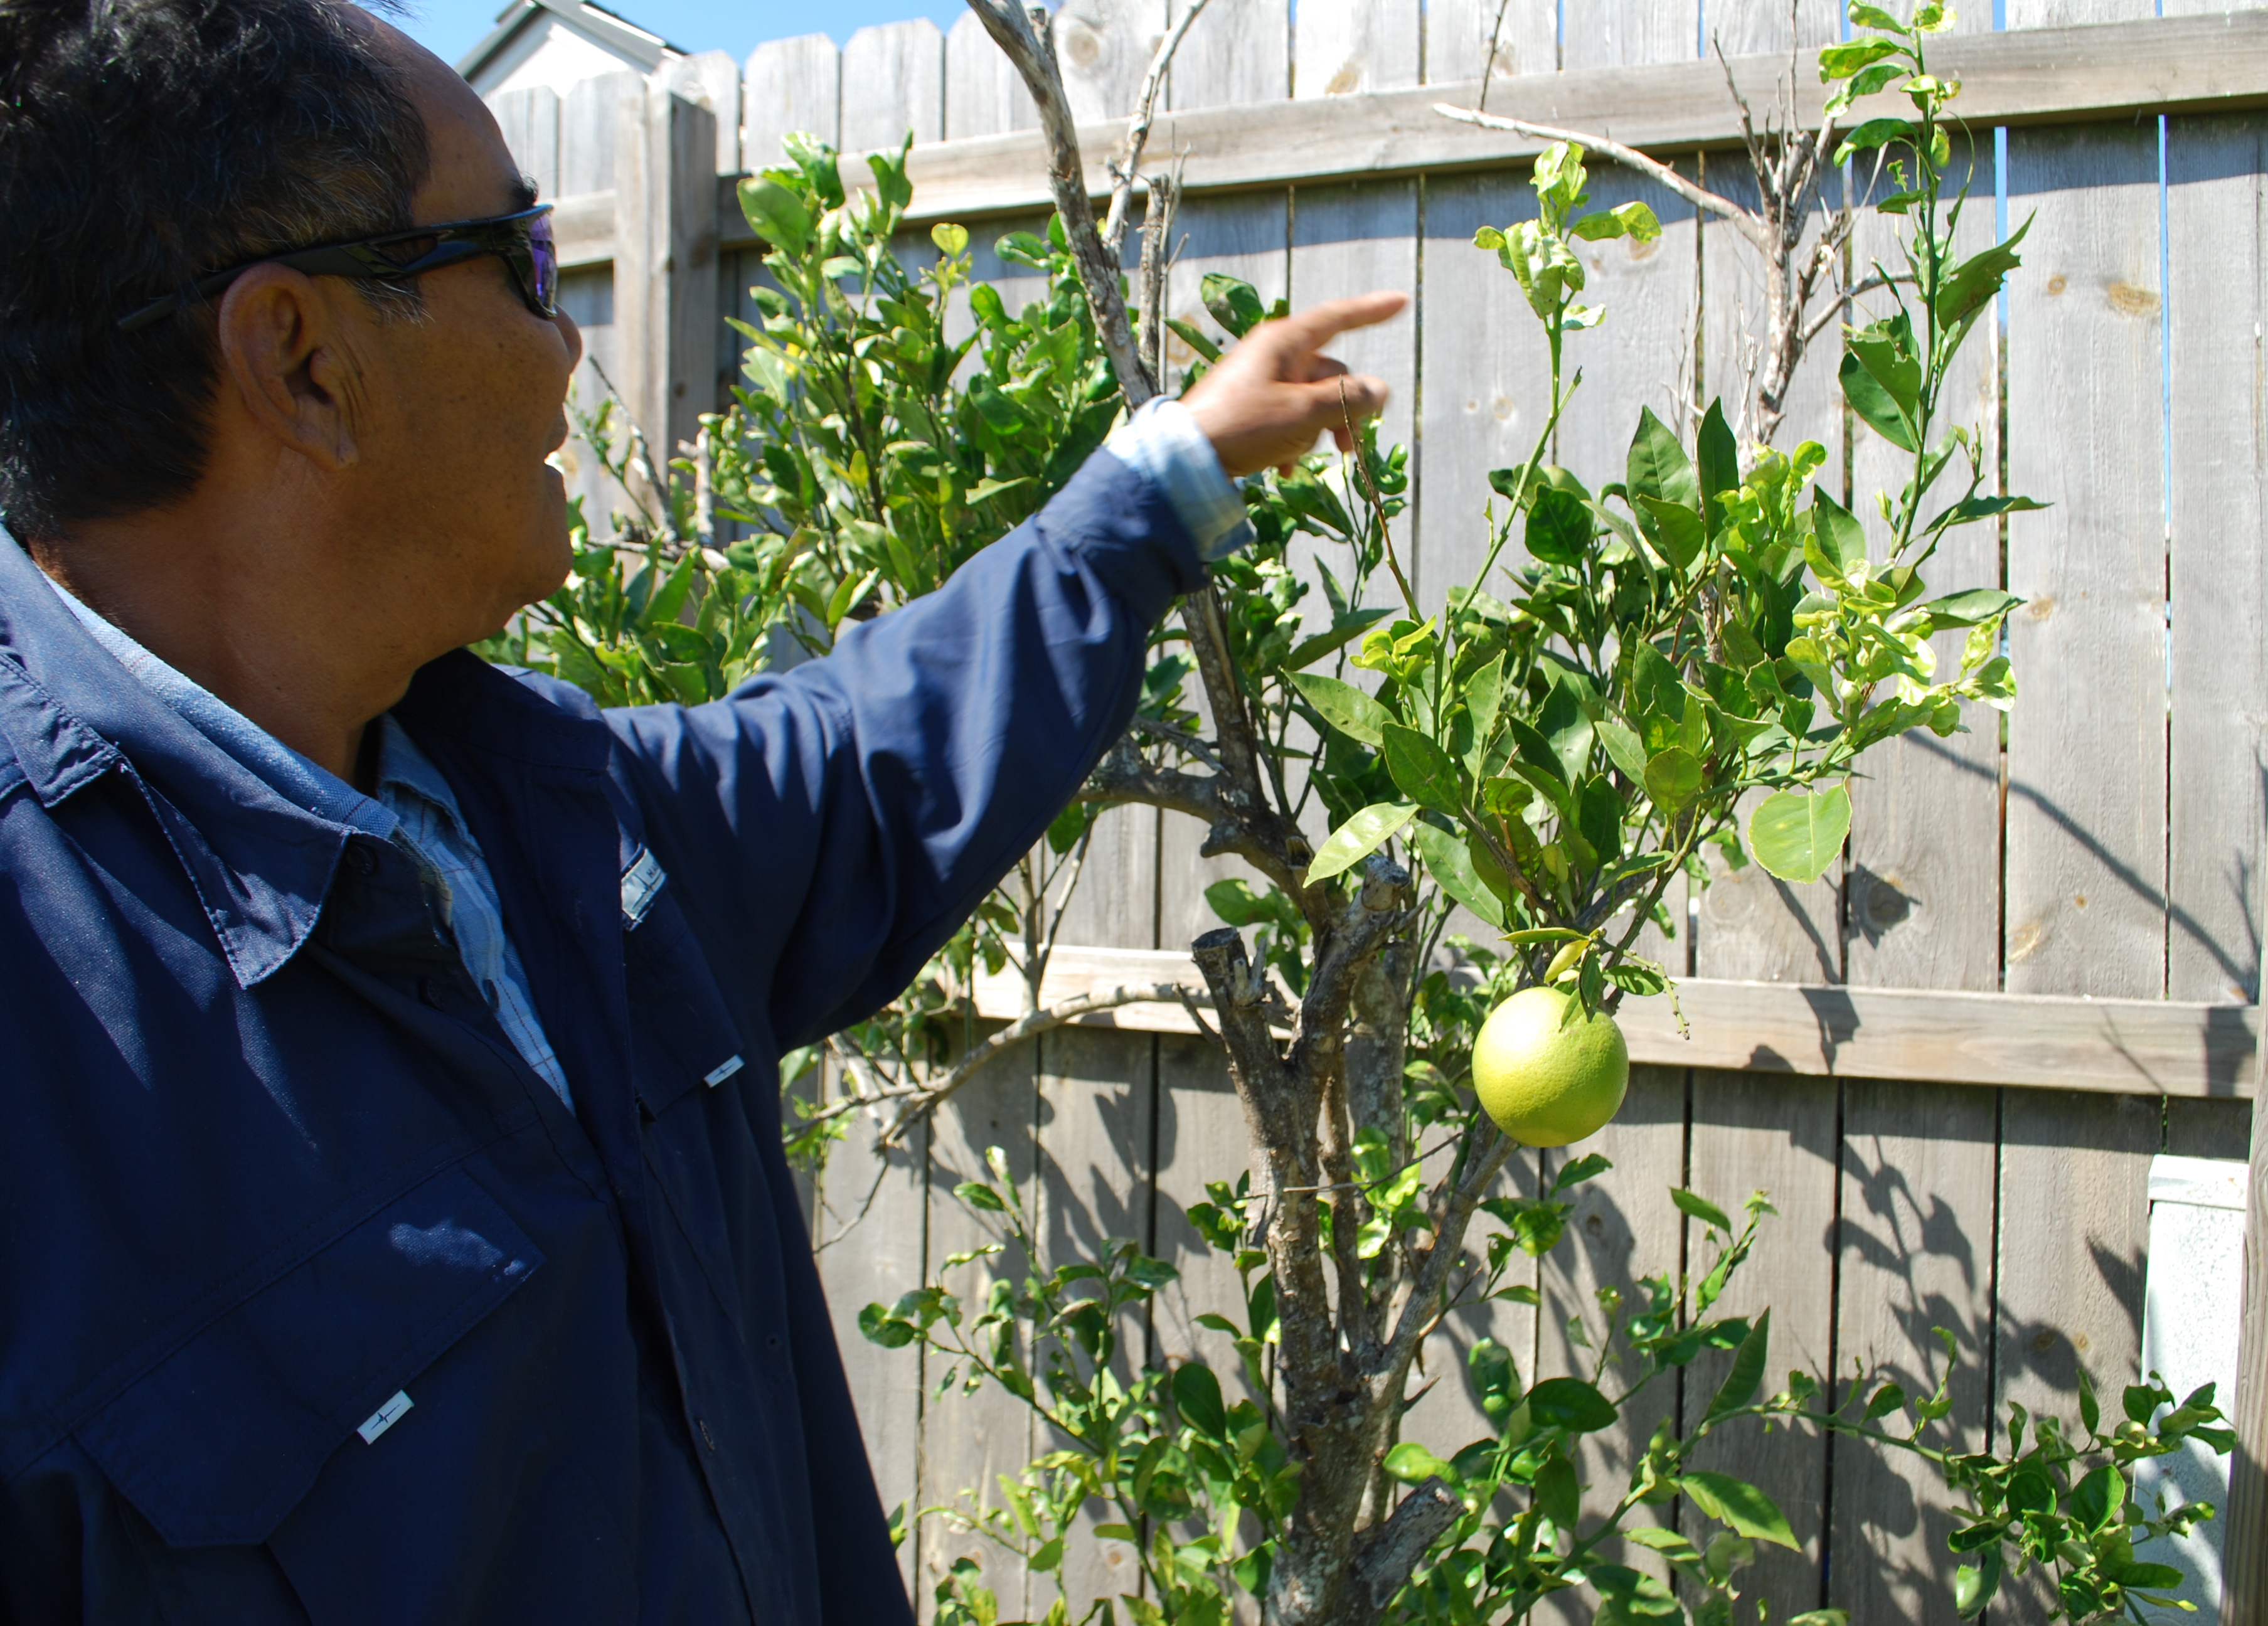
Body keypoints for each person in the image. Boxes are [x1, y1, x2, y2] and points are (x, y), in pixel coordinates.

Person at [0, 1, 1403, 1618]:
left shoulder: (551, 824)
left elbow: (874, 749)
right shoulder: (49, 1020)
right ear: (308, 363)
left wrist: (1167, 479)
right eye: (520, 260)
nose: (568, 334)